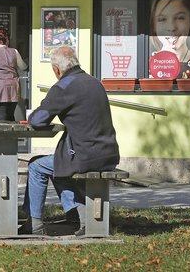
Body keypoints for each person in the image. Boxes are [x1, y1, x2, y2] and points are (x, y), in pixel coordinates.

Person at [21, 46, 119, 235]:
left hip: (85, 155)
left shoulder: (64, 87)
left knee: (36, 165)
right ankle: (81, 216)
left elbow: (38, 120)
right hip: (108, 153)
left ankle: (34, 224)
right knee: (59, 167)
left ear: (57, 69)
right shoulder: (94, 82)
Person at [0, 26, 28, 121]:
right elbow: (23, 66)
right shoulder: (14, 52)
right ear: (7, 39)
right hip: (13, 89)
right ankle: (12, 136)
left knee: (1, 119)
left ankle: (3, 136)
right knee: (11, 117)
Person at [149, 0, 190, 77]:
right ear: (154, 26)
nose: (171, 27)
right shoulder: (144, 66)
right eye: (162, 19)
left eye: (179, 18)